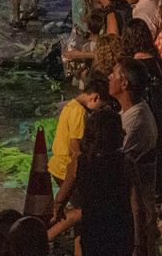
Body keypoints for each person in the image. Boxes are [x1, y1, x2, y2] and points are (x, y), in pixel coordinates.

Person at [55, 108, 138, 256]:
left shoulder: (80, 162)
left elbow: (61, 197)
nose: (124, 132)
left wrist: (59, 211)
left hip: (93, 229)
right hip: (120, 230)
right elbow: (136, 204)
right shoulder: (126, 163)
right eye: (120, 129)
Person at [111, 59, 158, 255]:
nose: (109, 77)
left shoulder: (136, 121)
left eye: (113, 74)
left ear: (124, 83)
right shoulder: (130, 111)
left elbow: (116, 161)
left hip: (135, 212)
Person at [48, 70, 109, 194]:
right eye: (101, 106)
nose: (100, 110)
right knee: (80, 205)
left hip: (58, 164)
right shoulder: (79, 112)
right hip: (66, 167)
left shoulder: (71, 105)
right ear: (95, 97)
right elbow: (75, 143)